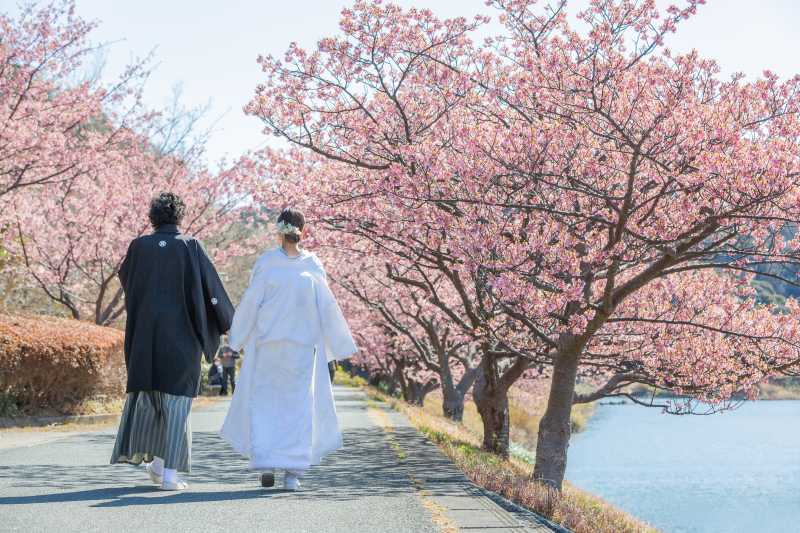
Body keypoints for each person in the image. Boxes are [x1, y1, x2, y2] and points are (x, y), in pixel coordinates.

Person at [219, 207, 357, 491]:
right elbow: (327, 306)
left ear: (278, 230)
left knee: (265, 403)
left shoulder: (267, 261)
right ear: (302, 231)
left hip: (270, 346)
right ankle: (292, 473)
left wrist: (237, 337)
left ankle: (266, 462)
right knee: (297, 407)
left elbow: (250, 302)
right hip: (301, 348)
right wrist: (338, 343)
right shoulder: (312, 264)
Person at [110, 191, 234, 491]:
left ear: (153, 217)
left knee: (150, 402)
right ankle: (169, 475)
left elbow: (125, 277)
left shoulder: (139, 246)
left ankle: (157, 465)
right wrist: (228, 321)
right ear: (180, 216)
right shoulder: (191, 246)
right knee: (177, 406)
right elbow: (212, 290)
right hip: (182, 340)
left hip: (145, 340)